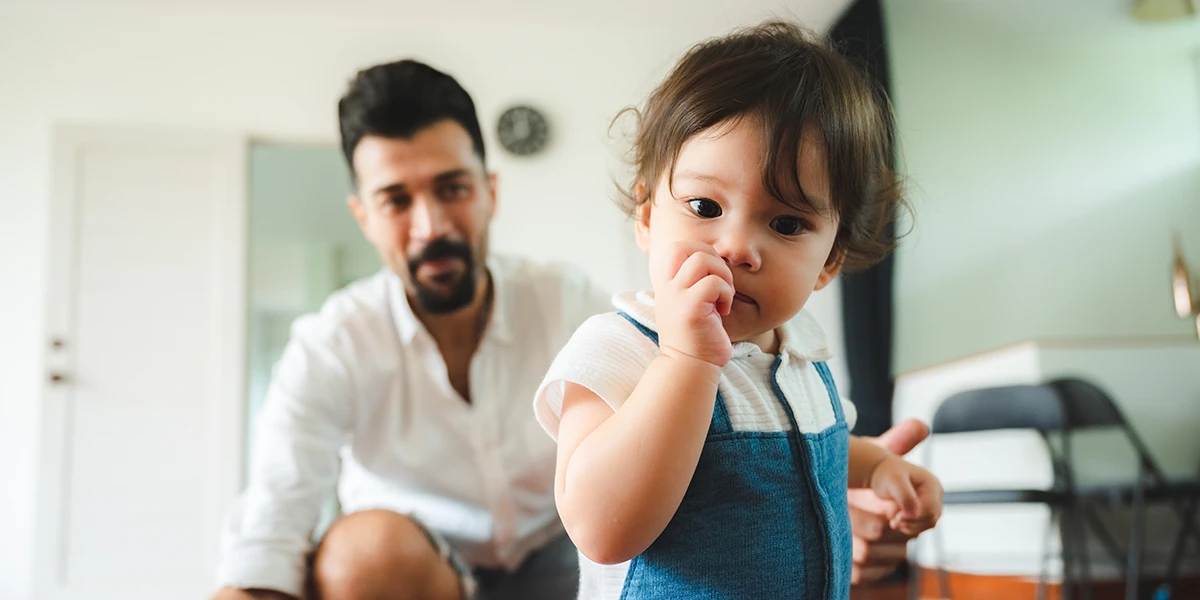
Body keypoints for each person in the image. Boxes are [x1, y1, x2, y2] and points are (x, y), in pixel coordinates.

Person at [212, 56, 931, 600]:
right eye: (397, 200)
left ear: (490, 193)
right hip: (438, 574)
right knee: (360, 554)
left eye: (452, 189)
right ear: (364, 216)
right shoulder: (335, 342)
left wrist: (861, 480)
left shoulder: (570, 298)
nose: (431, 225)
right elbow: (271, 523)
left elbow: (803, 458)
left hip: (559, 566)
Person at [533, 21, 943, 600]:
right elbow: (600, 530)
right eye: (705, 205)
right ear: (648, 218)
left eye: (786, 224)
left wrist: (875, 466)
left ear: (830, 259)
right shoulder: (620, 350)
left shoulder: (800, 351)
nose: (738, 247)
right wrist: (685, 360)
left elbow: (800, 450)